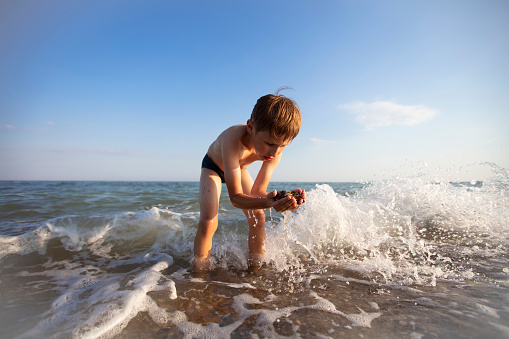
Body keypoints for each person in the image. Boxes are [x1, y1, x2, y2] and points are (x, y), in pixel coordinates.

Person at [193, 89, 305, 271]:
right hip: (213, 167)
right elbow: (235, 198)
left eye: (282, 146)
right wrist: (268, 202)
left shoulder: (275, 150)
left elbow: (258, 192)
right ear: (251, 128)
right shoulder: (233, 139)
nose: (274, 152)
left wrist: (280, 200)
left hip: (240, 168)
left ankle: (255, 268)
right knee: (209, 221)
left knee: (258, 217)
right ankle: (200, 270)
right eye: (269, 144)